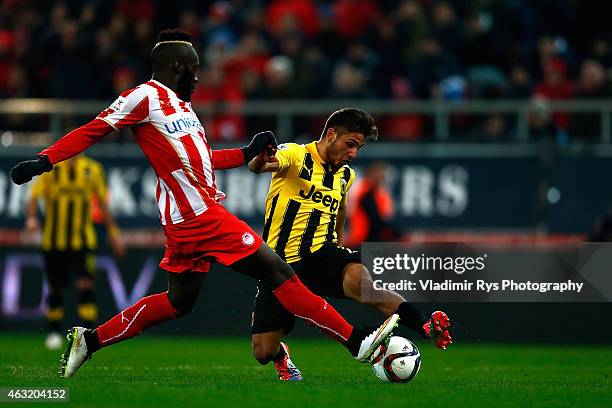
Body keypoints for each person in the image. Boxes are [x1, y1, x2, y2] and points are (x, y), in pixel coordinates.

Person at [10, 29, 399, 379]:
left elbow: (202, 159)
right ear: (177, 66)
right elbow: (94, 129)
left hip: (188, 219)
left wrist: (246, 152)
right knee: (280, 272)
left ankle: (90, 341)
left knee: (178, 302)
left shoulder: (182, 108)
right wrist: (45, 160)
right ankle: (357, 341)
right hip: (199, 216)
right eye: (194, 69)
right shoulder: (143, 97)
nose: (198, 77)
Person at [247, 108, 452, 381]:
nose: (353, 153)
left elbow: (341, 209)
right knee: (263, 351)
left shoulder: (345, 175)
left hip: (321, 254)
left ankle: (423, 325)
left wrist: (338, 248)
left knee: (363, 284)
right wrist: (259, 158)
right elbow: (260, 166)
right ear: (331, 135)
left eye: (358, 147)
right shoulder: (296, 155)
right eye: (350, 144)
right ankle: (282, 355)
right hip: (279, 263)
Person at [25, 155, 125, 350]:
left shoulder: (92, 169)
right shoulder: (50, 169)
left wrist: (114, 233)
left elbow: (103, 204)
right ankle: (53, 333)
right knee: (55, 287)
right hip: (54, 240)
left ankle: (87, 336)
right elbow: (34, 196)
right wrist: (31, 218)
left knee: (85, 284)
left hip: (83, 240)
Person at [344, 161, 399, 248]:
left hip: (375, 238)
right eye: (377, 172)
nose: (381, 176)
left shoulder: (382, 192)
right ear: (370, 172)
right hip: (360, 237)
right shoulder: (360, 189)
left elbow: (385, 216)